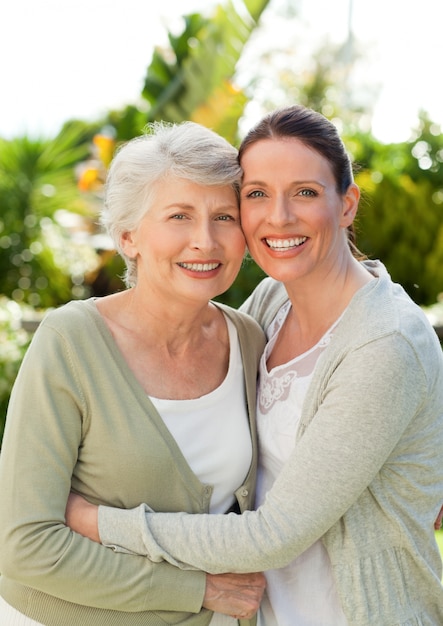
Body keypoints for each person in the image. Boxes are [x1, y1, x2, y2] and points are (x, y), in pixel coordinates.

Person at [66, 105, 443, 626]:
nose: (279, 216)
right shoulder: (271, 303)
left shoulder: (383, 342)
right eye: (257, 194)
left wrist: (95, 520)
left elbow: (272, 535)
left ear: (348, 203)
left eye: (306, 192)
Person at [0, 121, 267, 625]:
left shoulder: (248, 340)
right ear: (128, 236)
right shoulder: (71, 341)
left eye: (224, 217)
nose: (204, 241)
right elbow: (25, 544)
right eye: (179, 216)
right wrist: (199, 590)